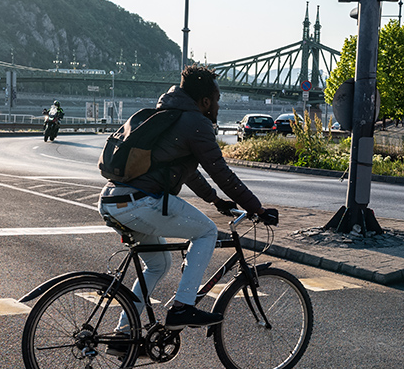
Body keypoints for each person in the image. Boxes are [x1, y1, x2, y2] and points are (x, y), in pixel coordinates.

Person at [97, 65, 276, 332]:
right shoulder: (196, 123)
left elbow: (188, 172)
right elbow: (221, 172)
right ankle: (183, 308)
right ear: (205, 101)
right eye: (216, 101)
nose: (217, 107)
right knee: (207, 232)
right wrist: (257, 209)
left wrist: (215, 201)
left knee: (159, 265)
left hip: (113, 201)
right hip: (140, 202)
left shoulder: (169, 115)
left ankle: (123, 333)